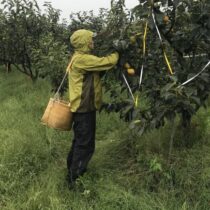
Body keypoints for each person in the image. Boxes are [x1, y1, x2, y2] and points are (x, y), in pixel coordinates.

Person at [67, 29, 119, 184]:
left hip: (82, 108)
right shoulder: (82, 59)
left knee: (79, 141)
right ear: (84, 42)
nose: (93, 42)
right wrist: (118, 52)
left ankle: (72, 171)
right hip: (84, 108)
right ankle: (75, 180)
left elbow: (97, 71)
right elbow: (107, 62)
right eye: (91, 39)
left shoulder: (79, 58)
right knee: (85, 145)